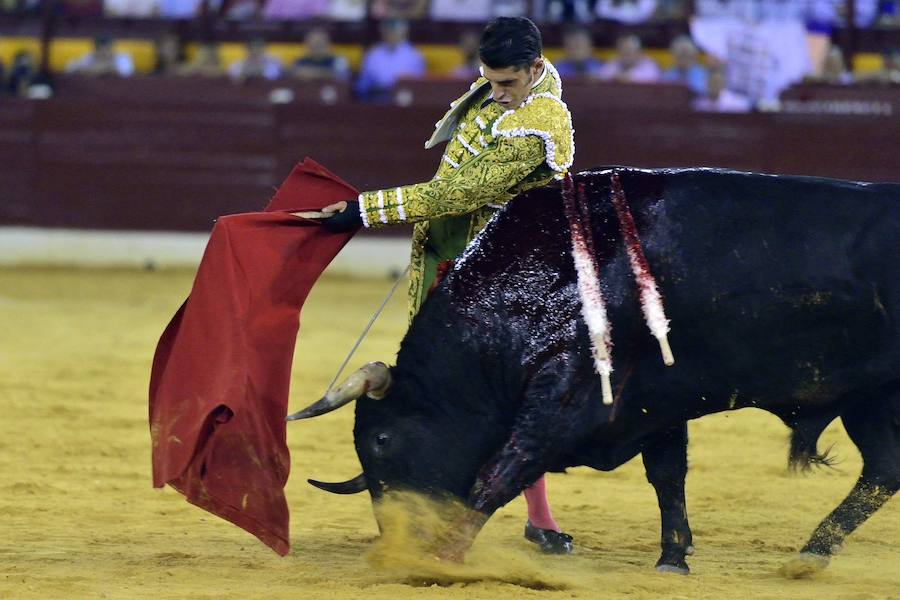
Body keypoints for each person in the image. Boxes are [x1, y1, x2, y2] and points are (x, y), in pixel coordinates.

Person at [302, 16, 575, 555]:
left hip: (506, 281)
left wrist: (363, 210)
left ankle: (503, 515)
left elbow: (457, 192)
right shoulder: (500, 90)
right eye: (490, 81)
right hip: (455, 262)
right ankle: (525, 518)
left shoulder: (543, 120)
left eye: (507, 85)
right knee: (466, 393)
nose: (495, 94)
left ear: (536, 69)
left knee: (503, 398)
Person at [354, 19, 425, 101]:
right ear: (382, 33)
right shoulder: (372, 54)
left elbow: (420, 85)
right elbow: (361, 85)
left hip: (404, 98)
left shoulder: (414, 55)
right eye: (388, 32)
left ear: (404, 33)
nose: (391, 35)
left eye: (395, 32)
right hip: (376, 98)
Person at [65, 34, 135, 77]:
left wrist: (98, 69)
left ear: (112, 49)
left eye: (107, 50)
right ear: (95, 50)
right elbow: (70, 68)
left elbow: (125, 73)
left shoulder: (122, 58)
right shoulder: (89, 56)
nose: (104, 53)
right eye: (100, 50)